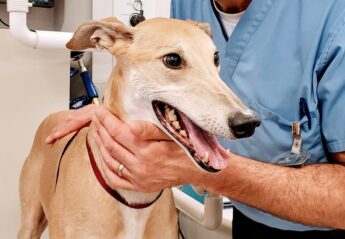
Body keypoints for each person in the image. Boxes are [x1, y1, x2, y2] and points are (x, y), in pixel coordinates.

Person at [45, 0, 345, 238]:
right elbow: (165, 89)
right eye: (174, 60)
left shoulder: (332, 18)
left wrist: (197, 172)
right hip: (249, 211)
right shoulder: (189, 6)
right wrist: (109, 110)